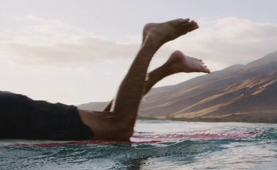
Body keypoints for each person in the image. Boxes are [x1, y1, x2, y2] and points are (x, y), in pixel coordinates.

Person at [0, 18, 209, 141]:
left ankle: (153, 40)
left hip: (7, 112)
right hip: (7, 109)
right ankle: (168, 68)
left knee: (117, 127)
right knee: (107, 119)